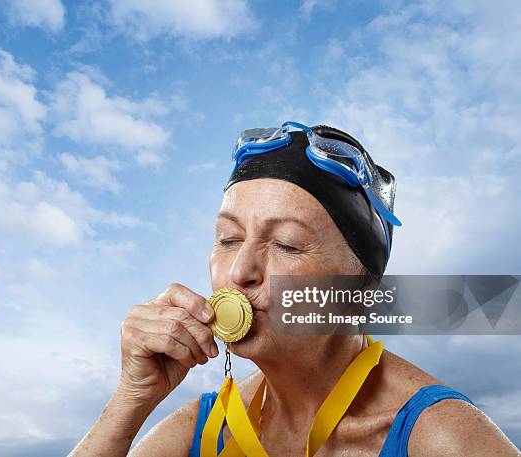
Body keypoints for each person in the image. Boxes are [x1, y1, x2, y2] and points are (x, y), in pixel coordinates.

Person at [68, 123, 520, 456]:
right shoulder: (202, 432)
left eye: (285, 244)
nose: (239, 270)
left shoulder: (443, 439)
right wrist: (130, 400)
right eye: (228, 239)